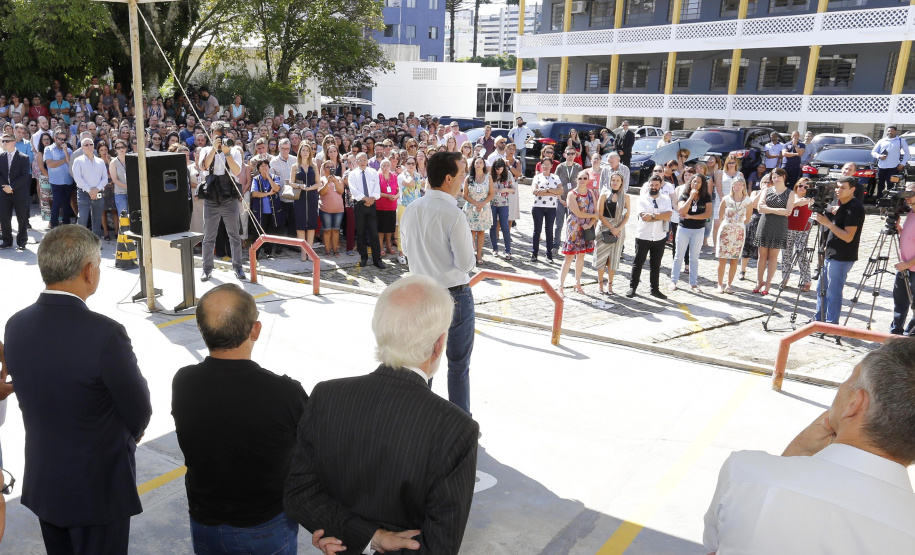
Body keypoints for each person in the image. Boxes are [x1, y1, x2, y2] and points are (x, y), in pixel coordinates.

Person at [283, 276, 478, 554]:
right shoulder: (456, 429)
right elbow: (440, 547)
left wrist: (364, 536)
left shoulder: (327, 396)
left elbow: (300, 495)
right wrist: (375, 538)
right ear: (438, 344)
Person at [4, 225, 152, 555]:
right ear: (88, 271)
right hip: (97, 492)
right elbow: (139, 409)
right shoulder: (105, 334)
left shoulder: (16, 324)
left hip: (46, 482)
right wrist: (132, 435)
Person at [703, 338, 915, 554]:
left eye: (850, 377)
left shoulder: (745, 473)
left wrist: (794, 455)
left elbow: (717, 547)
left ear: (854, 404)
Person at [172, 284, 308, 555]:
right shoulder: (284, 392)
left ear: (201, 331)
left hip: (204, 522)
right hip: (264, 526)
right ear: (255, 330)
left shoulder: (184, 381)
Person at [400, 152, 475, 415]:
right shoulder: (454, 214)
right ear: (447, 178)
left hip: (421, 293)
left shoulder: (412, 209)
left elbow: (406, 250)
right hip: (454, 294)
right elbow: (466, 264)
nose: (464, 179)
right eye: (462, 174)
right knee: (458, 364)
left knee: (423, 363)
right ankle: (459, 421)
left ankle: (421, 417)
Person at [813, 176, 865, 324]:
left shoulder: (854, 208)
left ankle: (831, 324)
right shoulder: (842, 204)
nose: (838, 190)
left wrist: (827, 223)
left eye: (843, 187)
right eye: (837, 187)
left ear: (852, 189)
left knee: (833, 293)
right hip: (831, 253)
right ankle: (818, 320)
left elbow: (848, 237)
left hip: (842, 256)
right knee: (821, 289)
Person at [199, 122, 246, 281]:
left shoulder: (234, 151)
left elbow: (237, 171)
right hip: (212, 196)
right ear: (211, 134)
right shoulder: (205, 150)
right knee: (208, 236)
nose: (220, 139)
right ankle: (206, 269)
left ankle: (238, 267)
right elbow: (204, 166)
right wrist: (214, 148)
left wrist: (227, 153)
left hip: (229, 197)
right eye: (217, 136)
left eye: (223, 136)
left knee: (234, 235)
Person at [626, 175, 671, 299]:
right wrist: (658, 216)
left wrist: (652, 216)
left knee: (656, 265)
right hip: (643, 236)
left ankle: (654, 289)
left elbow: (668, 215)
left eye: (657, 185)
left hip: (659, 237)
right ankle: (633, 287)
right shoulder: (642, 199)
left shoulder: (666, 198)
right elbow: (643, 217)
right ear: (648, 184)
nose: (654, 187)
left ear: (660, 185)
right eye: (652, 185)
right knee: (638, 263)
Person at [755, 168, 796, 295]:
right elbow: (760, 207)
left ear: (784, 177)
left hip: (779, 225)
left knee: (773, 256)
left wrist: (770, 209)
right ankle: (759, 281)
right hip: (765, 222)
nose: (775, 179)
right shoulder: (766, 190)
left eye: (778, 176)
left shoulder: (790, 193)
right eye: (773, 177)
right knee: (761, 255)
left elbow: (788, 212)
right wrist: (778, 211)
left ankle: (767, 284)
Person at [671, 174, 713, 293]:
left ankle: (693, 284)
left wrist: (693, 217)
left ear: (702, 184)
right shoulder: (684, 194)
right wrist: (690, 198)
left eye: (698, 182)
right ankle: (674, 281)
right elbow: (682, 212)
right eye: (694, 182)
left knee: (694, 258)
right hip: (684, 229)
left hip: (699, 230)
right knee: (678, 256)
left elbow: (707, 214)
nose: (696, 184)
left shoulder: (706, 197)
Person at [558, 173, 598, 296]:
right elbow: (578, 213)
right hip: (574, 229)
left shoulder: (591, 193)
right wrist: (593, 217)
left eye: (584, 178)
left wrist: (590, 224)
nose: (582, 180)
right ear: (576, 179)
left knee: (581, 256)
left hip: (586, 229)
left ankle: (577, 283)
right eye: (580, 178)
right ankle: (561, 286)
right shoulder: (572, 194)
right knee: (569, 257)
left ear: (588, 180)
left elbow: (596, 212)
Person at [347, 152, 387, 269]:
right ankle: (363, 257)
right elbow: (353, 190)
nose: (362, 162)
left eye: (364, 160)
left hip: (372, 204)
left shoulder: (373, 172)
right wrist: (365, 199)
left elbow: (377, 188)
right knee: (360, 232)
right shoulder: (353, 174)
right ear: (356, 162)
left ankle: (377, 259)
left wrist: (372, 199)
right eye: (360, 160)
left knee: (374, 232)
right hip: (359, 205)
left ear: (367, 161)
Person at [715, 175, 752, 294]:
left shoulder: (747, 200)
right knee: (722, 259)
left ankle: (729, 284)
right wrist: (727, 225)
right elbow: (720, 215)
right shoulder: (726, 199)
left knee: (734, 259)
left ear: (743, 186)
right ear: (732, 186)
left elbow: (748, 218)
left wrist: (738, 225)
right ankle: (720, 284)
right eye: (735, 185)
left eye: (740, 185)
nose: (737, 187)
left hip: (739, 232)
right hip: (726, 230)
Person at [594, 171, 629, 295]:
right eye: (613, 180)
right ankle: (600, 284)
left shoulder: (626, 197)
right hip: (604, 227)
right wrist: (611, 228)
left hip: (619, 229)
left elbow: (627, 216)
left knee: (613, 258)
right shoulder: (604, 195)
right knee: (601, 257)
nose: (615, 183)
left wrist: (618, 229)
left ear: (621, 183)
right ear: (610, 181)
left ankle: (610, 284)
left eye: (617, 181)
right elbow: (600, 214)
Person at [780, 178, 815, 292]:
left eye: (806, 187)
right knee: (786, 254)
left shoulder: (811, 199)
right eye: (800, 185)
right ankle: (785, 278)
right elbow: (783, 210)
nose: (802, 188)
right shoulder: (790, 196)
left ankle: (806, 280)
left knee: (802, 254)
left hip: (803, 230)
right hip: (787, 228)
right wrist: (796, 203)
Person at [0, 133, 32, 251]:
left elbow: (24, 176)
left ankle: (22, 241)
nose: (4, 143)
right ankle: (7, 240)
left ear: (13, 142)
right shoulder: (1, 157)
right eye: (3, 141)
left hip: (19, 192)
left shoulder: (24, 157)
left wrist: (12, 187)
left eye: (7, 141)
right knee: (4, 218)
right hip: (4, 192)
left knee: (22, 218)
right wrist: (5, 187)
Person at [71, 137, 107, 239]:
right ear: (82, 148)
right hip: (83, 193)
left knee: (97, 219)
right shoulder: (78, 161)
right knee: (82, 218)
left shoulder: (100, 161)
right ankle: (80, 243)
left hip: (98, 193)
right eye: (86, 145)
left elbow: (105, 178)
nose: (89, 147)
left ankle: (96, 243)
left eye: (91, 144)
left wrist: (96, 189)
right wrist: (90, 190)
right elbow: (77, 178)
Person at [891, 181, 915, 335]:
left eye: (911, 193)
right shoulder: (910, 213)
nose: (907, 196)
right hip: (904, 267)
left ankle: (909, 336)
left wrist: (907, 264)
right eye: (905, 192)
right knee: (900, 302)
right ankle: (895, 333)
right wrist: (900, 230)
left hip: (910, 266)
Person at [290, 143, 321, 262]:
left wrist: (311, 188)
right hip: (300, 198)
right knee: (301, 225)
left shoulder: (314, 166)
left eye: (307, 150)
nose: (305, 152)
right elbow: (291, 182)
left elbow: (318, 182)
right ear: (300, 152)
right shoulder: (295, 166)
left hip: (312, 196)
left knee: (312, 224)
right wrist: (300, 186)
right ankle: (303, 251)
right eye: (303, 150)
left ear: (310, 152)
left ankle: (310, 251)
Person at [530, 157, 563, 263]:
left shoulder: (556, 177)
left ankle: (549, 254)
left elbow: (561, 191)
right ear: (541, 165)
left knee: (549, 231)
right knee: (537, 230)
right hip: (538, 206)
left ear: (551, 166)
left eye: (548, 165)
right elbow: (535, 191)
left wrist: (547, 190)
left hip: (551, 207)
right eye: (544, 165)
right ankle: (534, 253)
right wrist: (553, 192)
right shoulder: (537, 177)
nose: (546, 167)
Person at [463, 155, 494, 265]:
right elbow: (464, 194)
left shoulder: (488, 177)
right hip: (471, 207)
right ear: (474, 164)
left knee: (481, 231)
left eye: (481, 162)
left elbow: (491, 194)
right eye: (477, 162)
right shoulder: (469, 178)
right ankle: (471, 253)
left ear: (484, 164)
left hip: (484, 208)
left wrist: (482, 203)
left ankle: (479, 254)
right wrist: (476, 203)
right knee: (471, 231)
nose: (479, 164)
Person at [554, 147, 582, 255]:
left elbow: (581, 184)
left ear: (575, 155)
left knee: (572, 224)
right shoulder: (560, 167)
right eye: (568, 153)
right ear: (565, 154)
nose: (570, 155)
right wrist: (560, 198)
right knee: (559, 224)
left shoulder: (578, 167)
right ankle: (556, 244)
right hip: (561, 199)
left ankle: (570, 245)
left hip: (574, 201)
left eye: (572, 154)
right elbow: (555, 183)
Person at [45, 128, 75, 228]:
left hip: (67, 180)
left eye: (64, 139)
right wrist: (63, 160)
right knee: (56, 204)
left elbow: (70, 162)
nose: (62, 141)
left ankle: (66, 224)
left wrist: (65, 151)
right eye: (60, 139)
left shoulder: (69, 150)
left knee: (67, 204)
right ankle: (54, 225)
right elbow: (50, 164)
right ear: (55, 138)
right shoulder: (48, 149)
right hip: (56, 181)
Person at [871, 125, 910, 199]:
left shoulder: (900, 140)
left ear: (896, 131)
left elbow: (907, 153)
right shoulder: (881, 141)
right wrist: (879, 156)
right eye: (888, 131)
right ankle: (879, 199)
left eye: (892, 131)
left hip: (893, 166)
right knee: (880, 183)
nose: (890, 132)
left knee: (891, 184)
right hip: (882, 166)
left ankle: (889, 199)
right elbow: (873, 152)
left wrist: (902, 163)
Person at [396, 156, 423, 264]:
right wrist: (408, 173)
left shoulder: (417, 175)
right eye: (409, 163)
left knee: (414, 230)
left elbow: (418, 189)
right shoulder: (401, 176)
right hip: (404, 205)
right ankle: (401, 253)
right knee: (402, 230)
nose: (411, 165)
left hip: (415, 205)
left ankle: (412, 253)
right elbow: (411, 184)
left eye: (413, 163)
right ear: (405, 164)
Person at [489, 158, 515, 260]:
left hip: (504, 203)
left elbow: (513, 189)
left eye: (500, 169)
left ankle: (507, 250)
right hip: (492, 203)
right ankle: (495, 248)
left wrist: (506, 189)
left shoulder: (508, 174)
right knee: (493, 226)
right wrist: (493, 190)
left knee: (505, 226)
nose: (499, 171)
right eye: (497, 169)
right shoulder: (491, 176)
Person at [318, 159, 345, 257]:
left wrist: (335, 181)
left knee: (336, 230)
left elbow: (341, 191)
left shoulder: (338, 178)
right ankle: (327, 251)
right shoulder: (321, 179)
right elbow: (321, 192)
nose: (330, 169)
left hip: (338, 210)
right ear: (324, 169)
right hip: (325, 209)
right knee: (327, 230)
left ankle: (335, 251)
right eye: (327, 167)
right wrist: (327, 182)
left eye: (331, 167)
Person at [377, 158, 399, 257]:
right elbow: (376, 191)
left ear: (390, 167)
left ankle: (389, 246)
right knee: (381, 229)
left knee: (390, 228)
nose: (385, 168)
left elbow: (399, 190)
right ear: (380, 167)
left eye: (387, 165)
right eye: (383, 165)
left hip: (392, 206)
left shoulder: (395, 176)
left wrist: (396, 196)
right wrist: (387, 196)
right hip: (381, 206)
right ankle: (381, 247)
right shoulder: (378, 177)